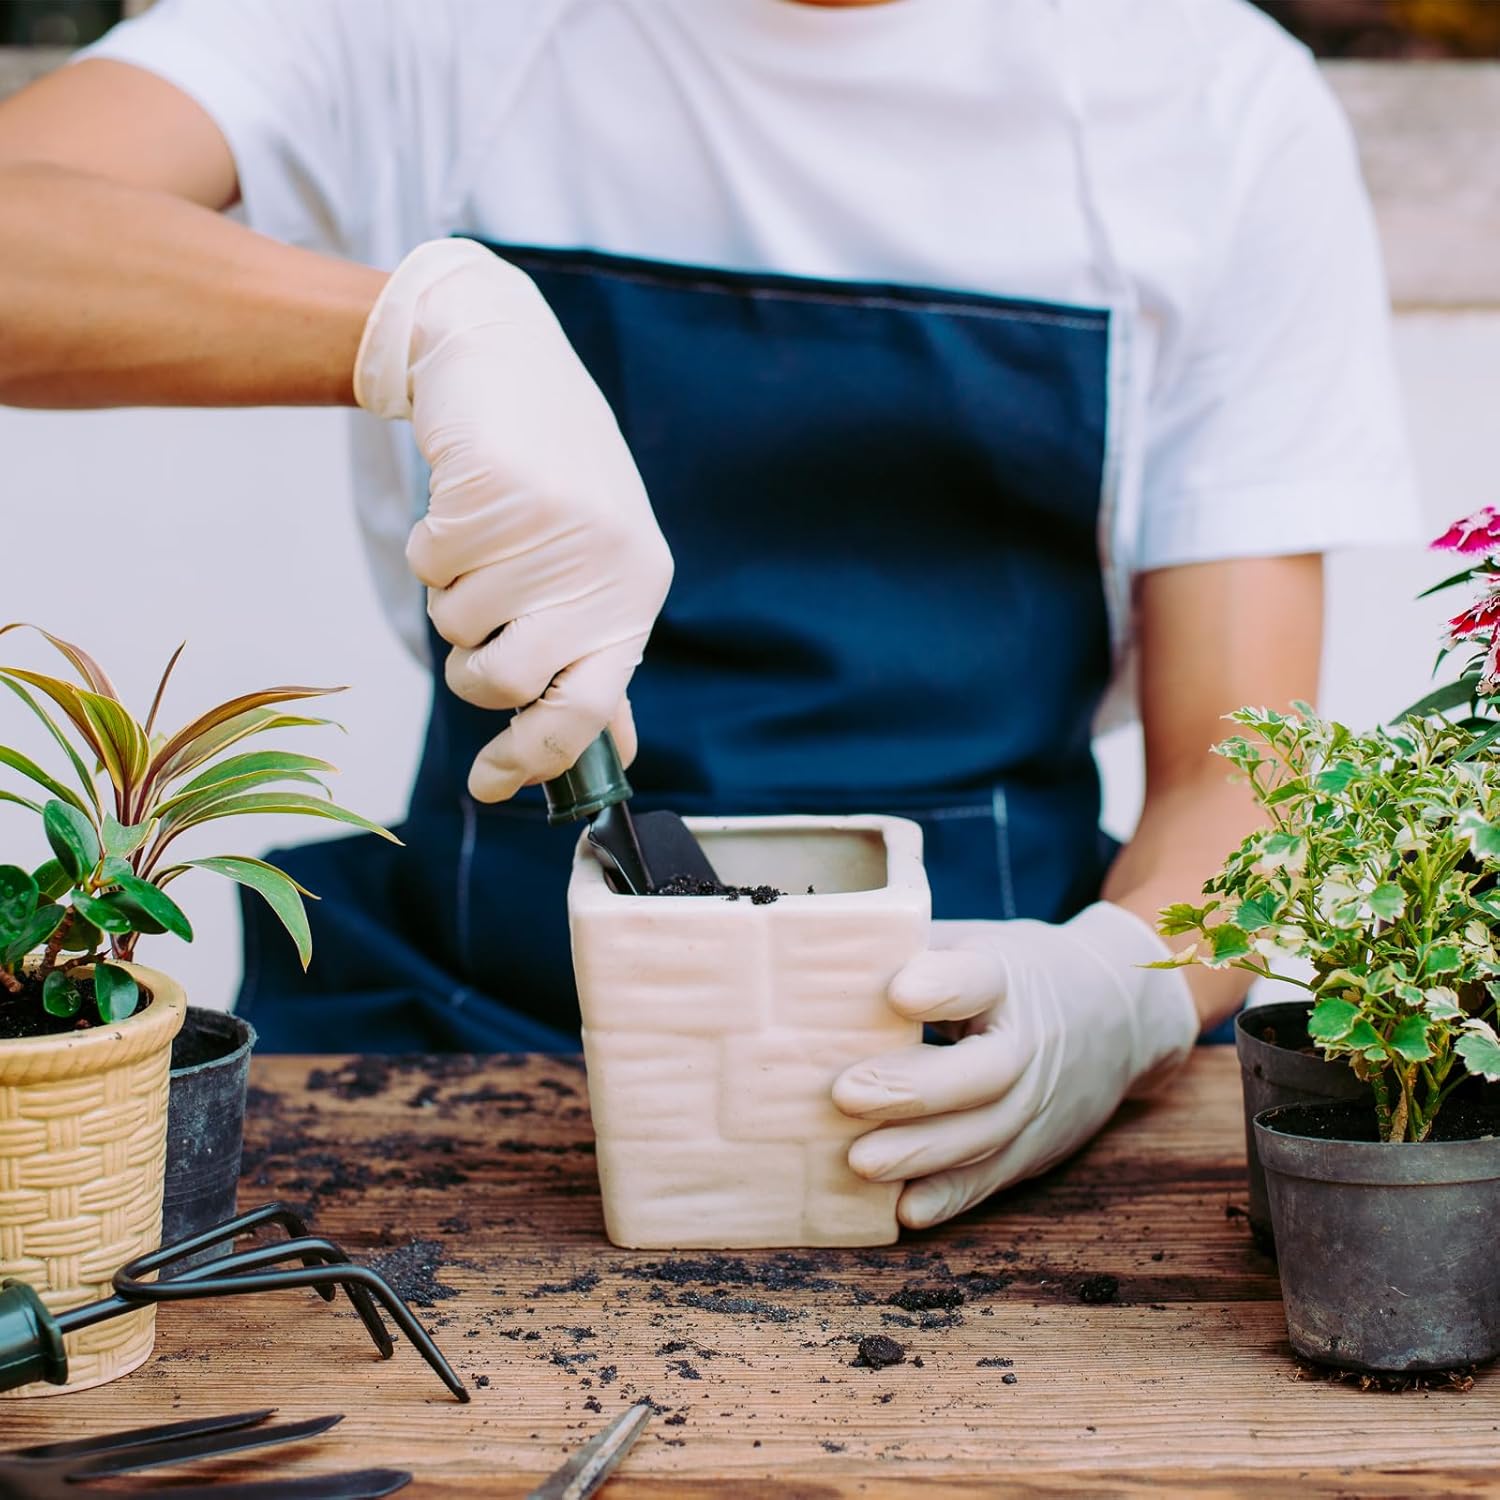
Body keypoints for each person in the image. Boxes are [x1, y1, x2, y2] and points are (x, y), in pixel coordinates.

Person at [0, 0, 1416, 1230]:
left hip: (966, 1070)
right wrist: (418, 326)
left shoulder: (1216, 106)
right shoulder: (413, 27)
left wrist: (1117, 993)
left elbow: (1244, 781)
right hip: (464, 1038)